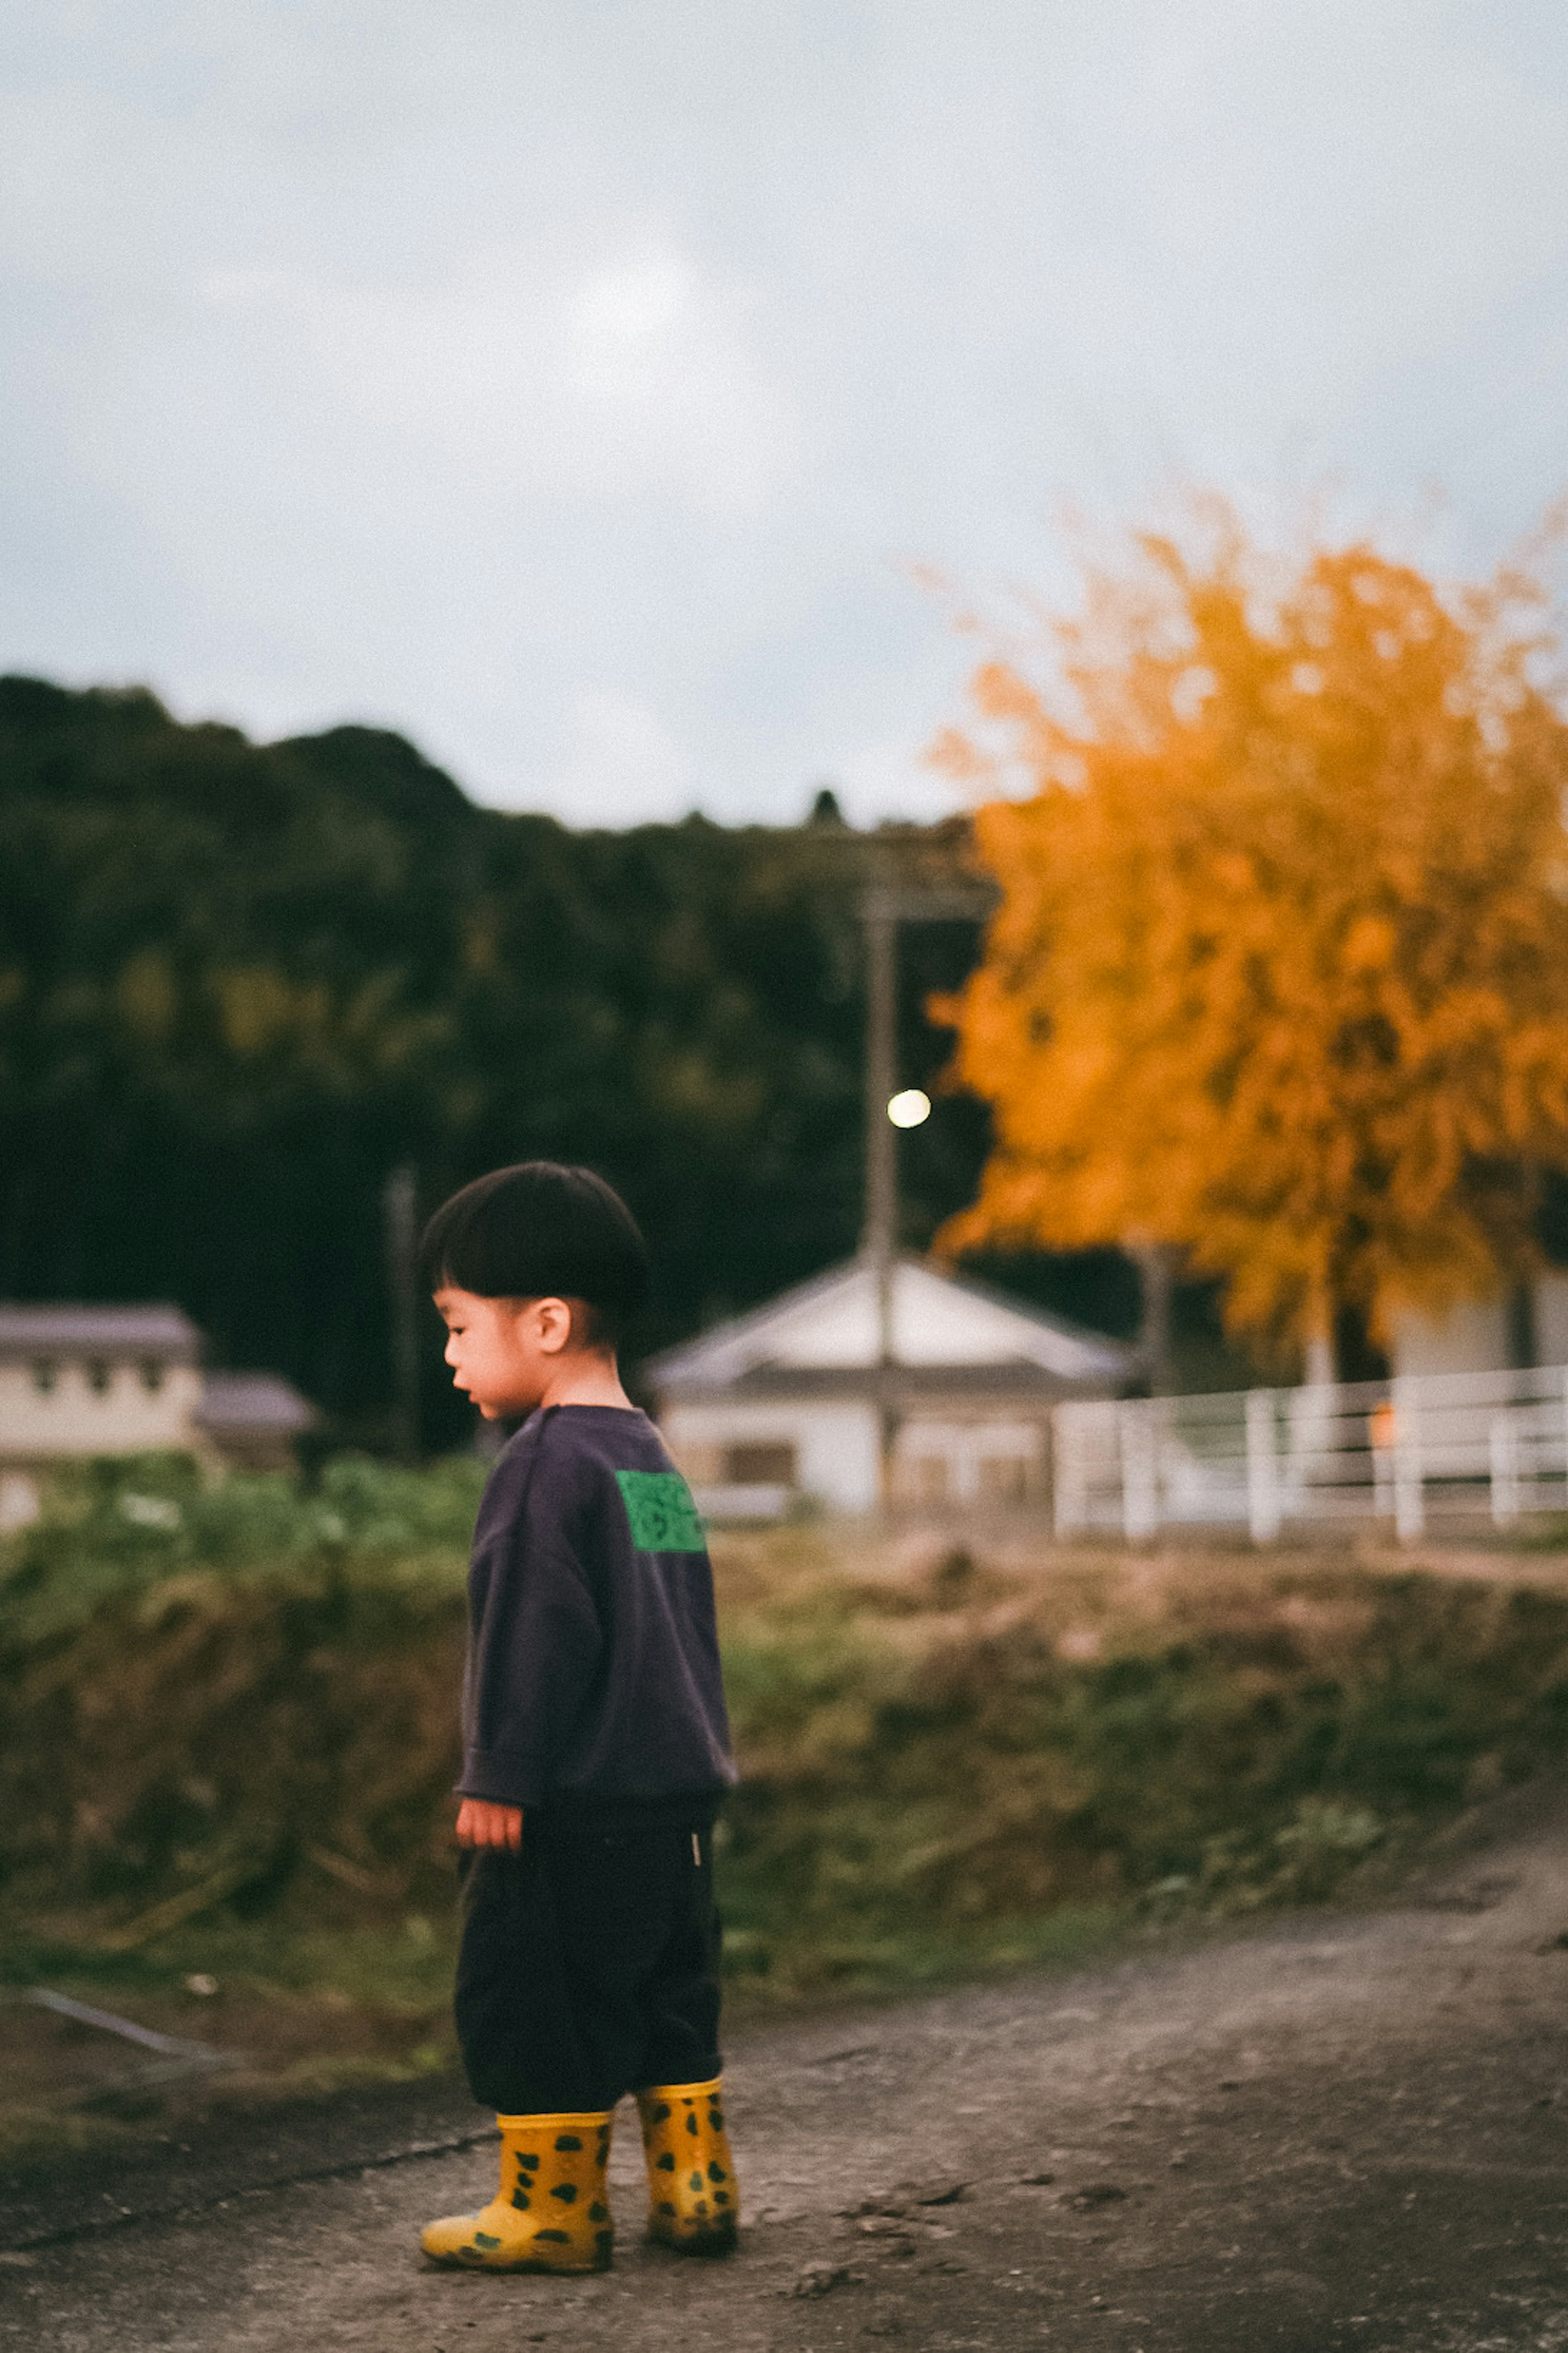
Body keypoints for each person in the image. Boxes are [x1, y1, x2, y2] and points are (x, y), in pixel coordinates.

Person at [416, 1161, 739, 2275]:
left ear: (546, 1322)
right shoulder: (651, 1459)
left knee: (530, 1994)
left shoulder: (538, 1467)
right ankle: (695, 2188)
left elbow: (531, 1633)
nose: (451, 1355)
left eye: (459, 1326)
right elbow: (673, 1625)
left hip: (575, 1805)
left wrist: (498, 1772)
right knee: (667, 1997)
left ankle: (553, 2210)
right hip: (675, 1802)